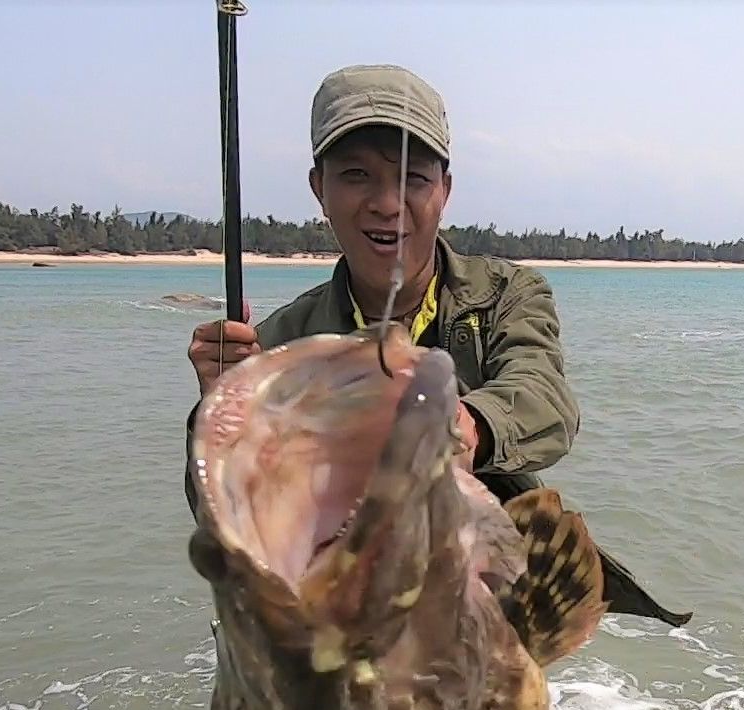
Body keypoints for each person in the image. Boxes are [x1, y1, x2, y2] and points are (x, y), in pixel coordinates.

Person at [184, 62, 580, 513]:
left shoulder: (506, 295)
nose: (388, 205)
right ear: (319, 189)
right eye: (357, 174)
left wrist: (467, 428)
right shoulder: (277, 348)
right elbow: (223, 520)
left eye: (414, 178)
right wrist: (221, 421)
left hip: (498, 543)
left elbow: (544, 395)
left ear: (444, 191)